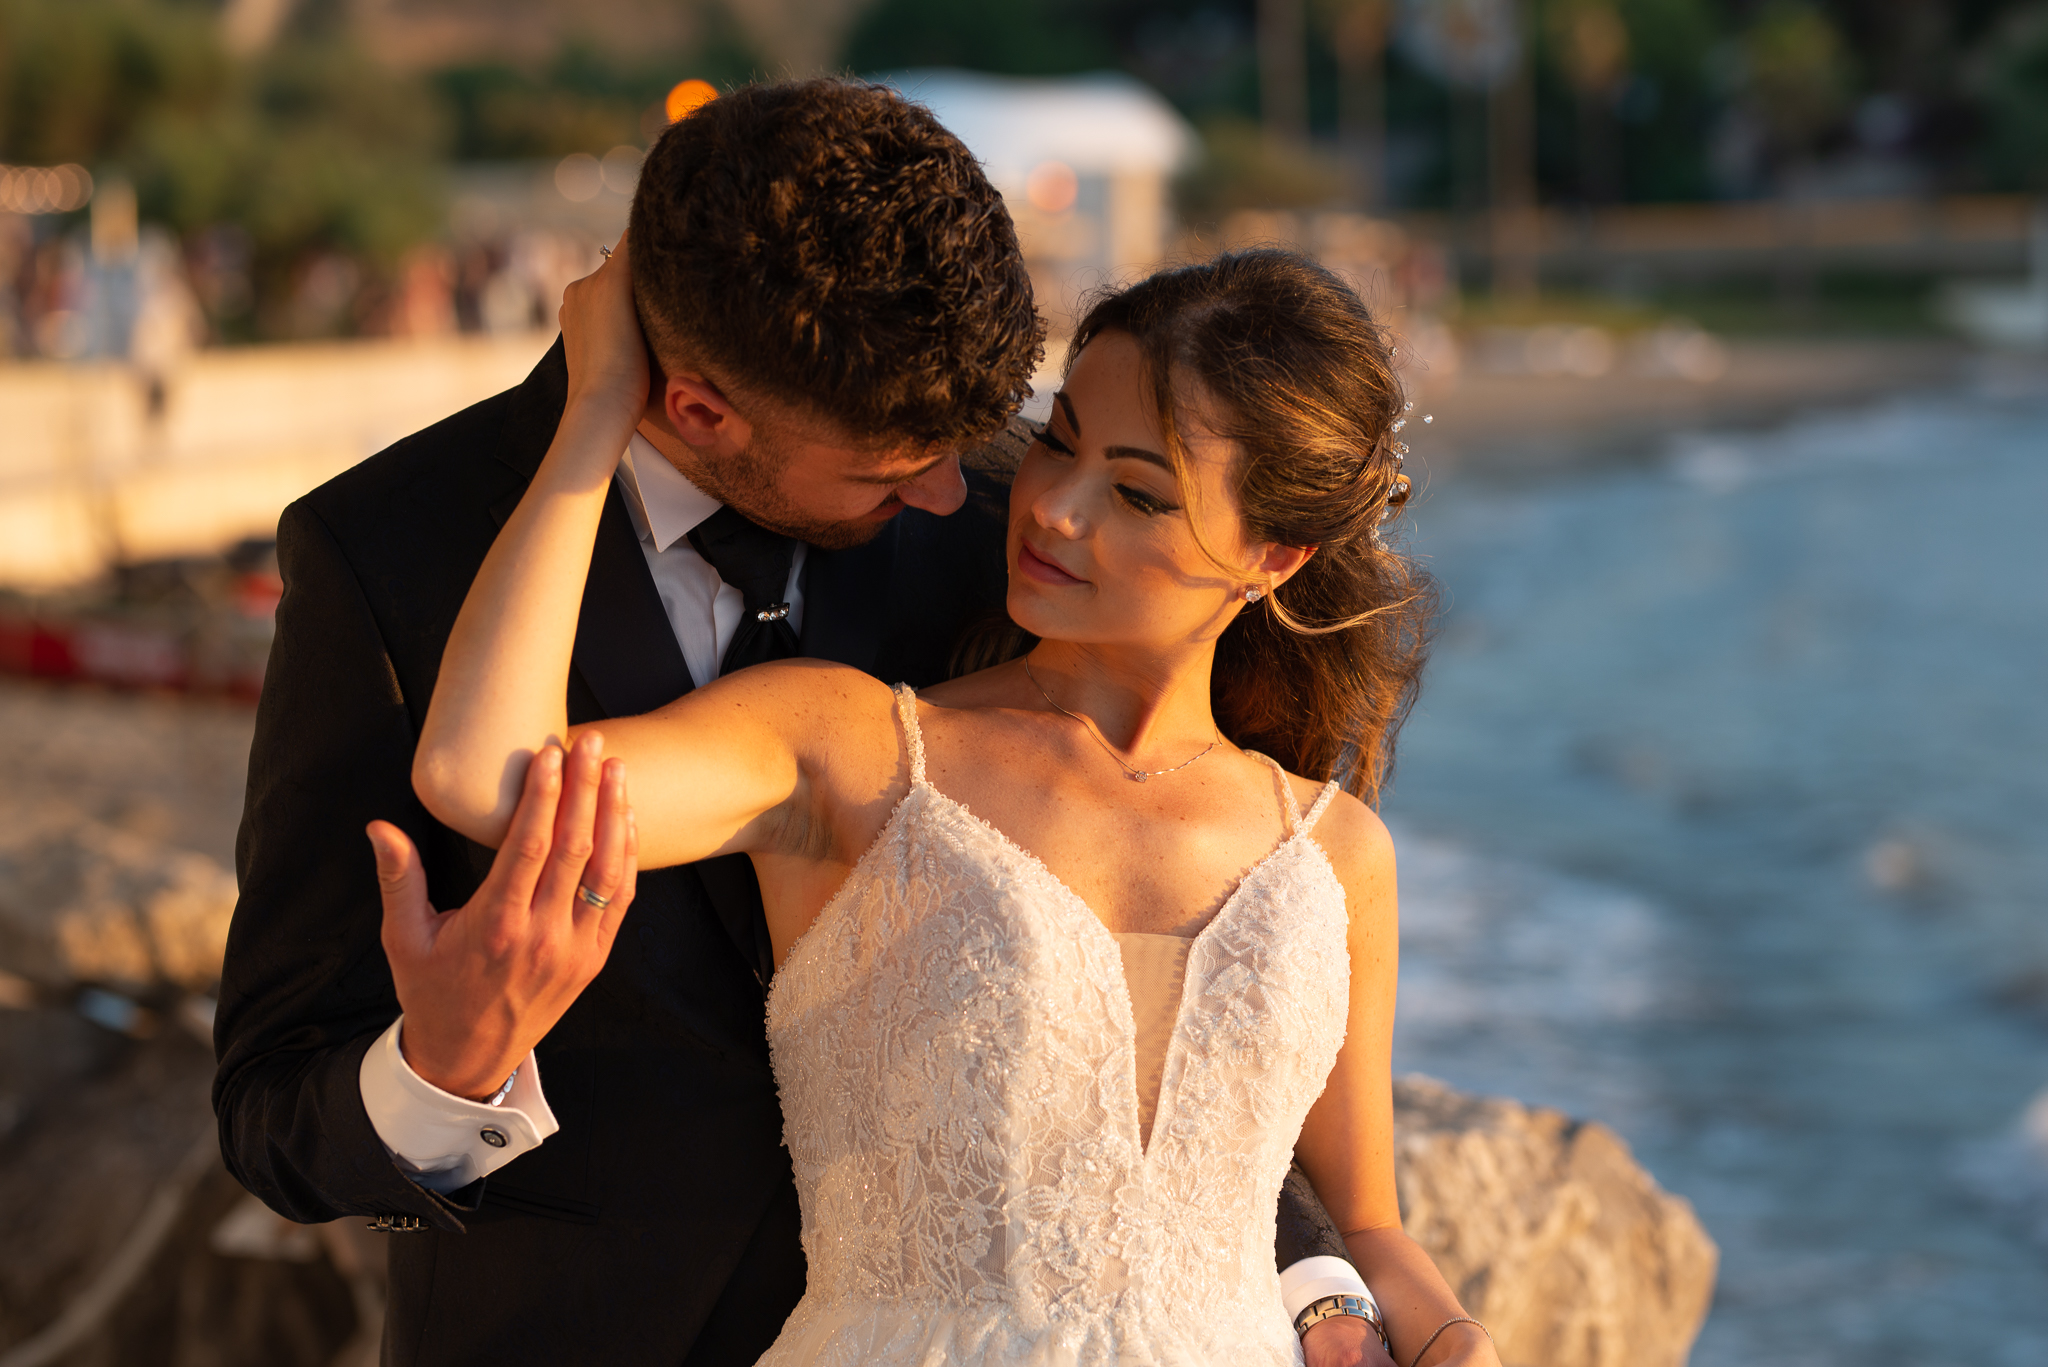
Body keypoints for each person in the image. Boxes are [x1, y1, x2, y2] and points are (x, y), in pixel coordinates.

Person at [214, 79, 1373, 1367]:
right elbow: (271, 1101)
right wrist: (444, 1066)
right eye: (891, 469)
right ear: (701, 408)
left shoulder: (1007, 522)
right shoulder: (387, 552)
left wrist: (1324, 1290)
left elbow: (1163, 973)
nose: (953, 490)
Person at [405, 228, 1499, 1367]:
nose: (1055, 510)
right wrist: (593, 414)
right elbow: (483, 775)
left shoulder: (1333, 852)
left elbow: (1363, 1221)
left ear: (1272, 555)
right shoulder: (852, 749)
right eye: (1056, 442)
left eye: (1135, 493)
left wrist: (1454, 1340)